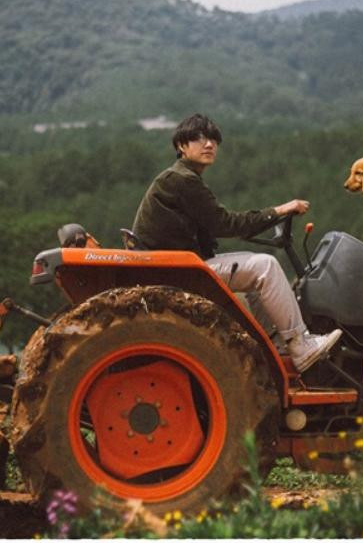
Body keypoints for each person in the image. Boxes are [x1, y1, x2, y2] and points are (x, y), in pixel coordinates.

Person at [132, 113, 342, 372]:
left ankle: (277, 345)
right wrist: (278, 211)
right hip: (181, 272)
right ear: (181, 146)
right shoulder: (182, 180)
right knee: (266, 267)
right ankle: (300, 346)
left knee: (254, 277)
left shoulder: (181, 178)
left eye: (213, 139)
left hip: (179, 265)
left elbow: (219, 225)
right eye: (198, 138)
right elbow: (226, 224)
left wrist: (261, 220)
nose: (208, 144)